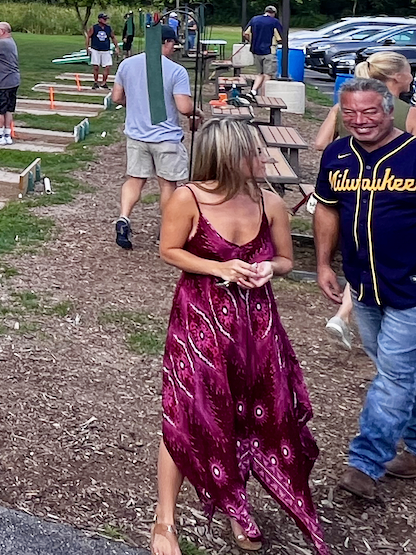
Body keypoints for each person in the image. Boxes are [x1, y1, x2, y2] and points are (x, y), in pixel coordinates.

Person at [151, 119, 328, 555]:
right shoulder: (187, 198)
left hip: (257, 328)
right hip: (200, 326)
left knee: (250, 414)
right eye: (255, 151)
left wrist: (270, 267)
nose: (264, 158)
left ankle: (235, 505)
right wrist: (220, 267)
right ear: (230, 156)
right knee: (189, 412)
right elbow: (168, 250)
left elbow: (286, 259)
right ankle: (164, 521)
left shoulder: (270, 203)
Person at [313, 77, 416, 501]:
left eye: (369, 111)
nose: (360, 120)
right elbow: (327, 211)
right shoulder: (337, 156)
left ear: (390, 110)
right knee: (397, 372)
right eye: (349, 112)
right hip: (365, 285)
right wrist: (323, 264)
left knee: (393, 374)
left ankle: (365, 462)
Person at [310, 51, 416, 350]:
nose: (412, 77)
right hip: (395, 205)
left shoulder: (344, 107)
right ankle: (398, 343)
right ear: (395, 77)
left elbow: (320, 143)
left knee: (361, 261)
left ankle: (355, 323)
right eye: (409, 71)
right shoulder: (412, 113)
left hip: (345, 199)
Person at [110, 28, 197, 251]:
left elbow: (117, 97)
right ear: (165, 43)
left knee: (135, 179)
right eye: (172, 44)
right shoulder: (176, 71)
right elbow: (184, 107)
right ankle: (166, 230)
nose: (173, 49)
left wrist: (138, 106)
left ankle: (124, 217)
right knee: (167, 184)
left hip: (136, 134)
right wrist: (198, 113)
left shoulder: (127, 65)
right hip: (165, 137)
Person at [242, 6, 284, 95]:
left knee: (259, 73)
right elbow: (280, 38)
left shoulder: (254, 19)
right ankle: (263, 95)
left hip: (256, 50)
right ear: (273, 13)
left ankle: (253, 91)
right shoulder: (274, 22)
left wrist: (251, 41)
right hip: (269, 51)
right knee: (268, 74)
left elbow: (245, 33)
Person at [86, 11, 116, 89]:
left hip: (106, 49)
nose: (105, 21)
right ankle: (95, 82)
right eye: (104, 19)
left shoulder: (108, 28)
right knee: (96, 66)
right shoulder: (94, 27)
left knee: (107, 66)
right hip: (96, 49)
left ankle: (104, 82)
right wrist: (87, 47)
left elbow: (113, 37)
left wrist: (116, 47)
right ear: (99, 19)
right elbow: (88, 37)